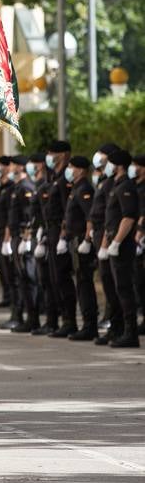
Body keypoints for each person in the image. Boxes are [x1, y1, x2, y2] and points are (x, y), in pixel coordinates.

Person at [100, 148, 140, 348]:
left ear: (119, 165)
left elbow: (128, 217)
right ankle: (119, 329)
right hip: (114, 242)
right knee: (116, 289)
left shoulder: (126, 186)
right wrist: (106, 244)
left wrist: (116, 242)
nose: (108, 166)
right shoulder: (116, 185)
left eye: (111, 162)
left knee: (124, 289)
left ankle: (131, 333)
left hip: (123, 246)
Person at [40, 140, 73, 337]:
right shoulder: (54, 178)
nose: (50, 156)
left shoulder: (64, 179)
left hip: (60, 233)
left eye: (53, 152)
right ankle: (60, 320)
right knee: (53, 279)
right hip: (50, 231)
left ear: (64, 154)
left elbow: (67, 211)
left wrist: (63, 235)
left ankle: (69, 320)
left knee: (62, 278)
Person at [88, 143, 120, 344]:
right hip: (100, 235)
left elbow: (113, 216)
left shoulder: (113, 183)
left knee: (114, 286)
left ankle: (118, 327)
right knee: (108, 284)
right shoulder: (104, 180)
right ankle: (114, 326)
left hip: (108, 237)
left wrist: (107, 242)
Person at [62, 156, 97, 340]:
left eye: (72, 167)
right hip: (74, 241)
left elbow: (90, 217)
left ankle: (90, 326)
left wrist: (87, 240)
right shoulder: (76, 188)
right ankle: (86, 324)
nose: (69, 170)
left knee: (85, 284)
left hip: (82, 242)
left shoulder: (84, 188)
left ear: (81, 170)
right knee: (81, 283)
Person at [6, 155, 38, 333]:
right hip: (17, 237)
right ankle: (28, 318)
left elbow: (29, 217)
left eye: (12, 164)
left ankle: (33, 318)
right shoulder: (17, 187)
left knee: (28, 278)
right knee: (22, 278)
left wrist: (26, 239)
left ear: (20, 167)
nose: (10, 167)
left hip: (24, 237)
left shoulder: (26, 187)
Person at [27, 153, 54, 335]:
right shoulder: (38, 185)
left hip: (47, 236)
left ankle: (52, 320)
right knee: (42, 280)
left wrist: (42, 235)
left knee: (48, 281)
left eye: (36, 164)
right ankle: (44, 320)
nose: (34, 167)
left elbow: (48, 214)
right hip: (38, 234)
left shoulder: (47, 185)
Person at [0, 156, 14, 314]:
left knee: (9, 268)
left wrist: (7, 237)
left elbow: (10, 214)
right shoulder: (3, 186)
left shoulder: (12, 186)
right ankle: (7, 295)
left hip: (5, 232)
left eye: (0, 165)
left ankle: (12, 297)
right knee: (2, 267)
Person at [129, 155, 145, 334]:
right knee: (137, 281)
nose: (134, 168)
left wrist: (140, 234)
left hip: (139, 238)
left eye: (137, 165)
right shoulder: (134, 186)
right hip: (134, 238)